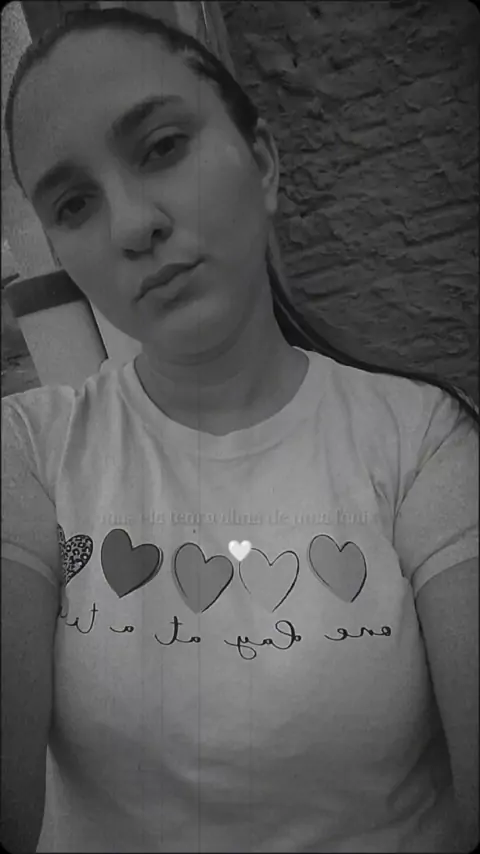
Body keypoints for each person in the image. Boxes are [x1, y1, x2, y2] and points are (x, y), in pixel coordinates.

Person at [1, 7, 478, 854]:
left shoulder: (425, 442)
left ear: (261, 162)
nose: (133, 225)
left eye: (161, 148)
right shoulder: (28, 454)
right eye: (74, 203)